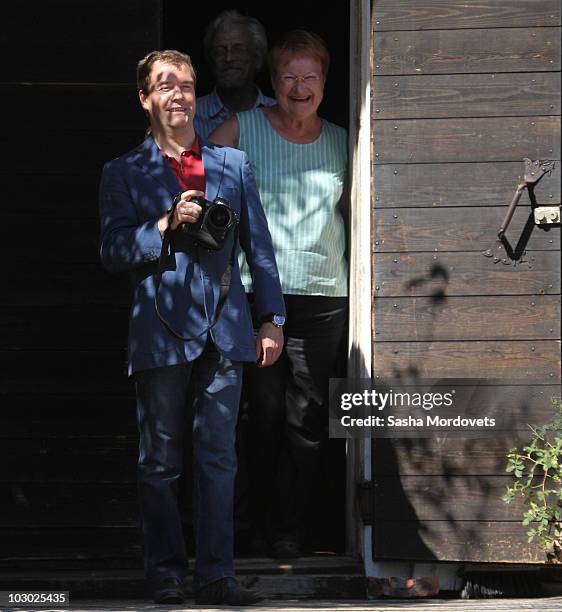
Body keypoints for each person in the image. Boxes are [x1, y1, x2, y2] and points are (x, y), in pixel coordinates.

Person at [99, 49, 285, 605]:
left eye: (185, 85)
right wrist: (163, 222)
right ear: (145, 99)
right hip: (158, 331)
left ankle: (217, 575)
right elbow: (111, 250)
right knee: (159, 460)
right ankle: (165, 575)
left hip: (225, 333)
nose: (177, 94)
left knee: (219, 458)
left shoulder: (232, 163)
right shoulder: (123, 171)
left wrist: (271, 318)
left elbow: (261, 250)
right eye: (165, 85)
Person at [209, 31, 348, 558]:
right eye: (288, 76)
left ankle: (290, 529)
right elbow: (198, 180)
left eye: (309, 76)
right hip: (256, 294)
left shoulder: (341, 140)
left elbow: (356, 214)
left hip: (323, 297)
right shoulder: (243, 128)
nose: (299, 87)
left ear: (325, 83)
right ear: (272, 81)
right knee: (259, 415)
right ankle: (248, 525)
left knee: (307, 420)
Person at [195, 9, 275, 140]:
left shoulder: (281, 114)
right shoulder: (190, 116)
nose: (229, 58)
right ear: (210, 59)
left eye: (239, 50)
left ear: (257, 57)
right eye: (220, 51)